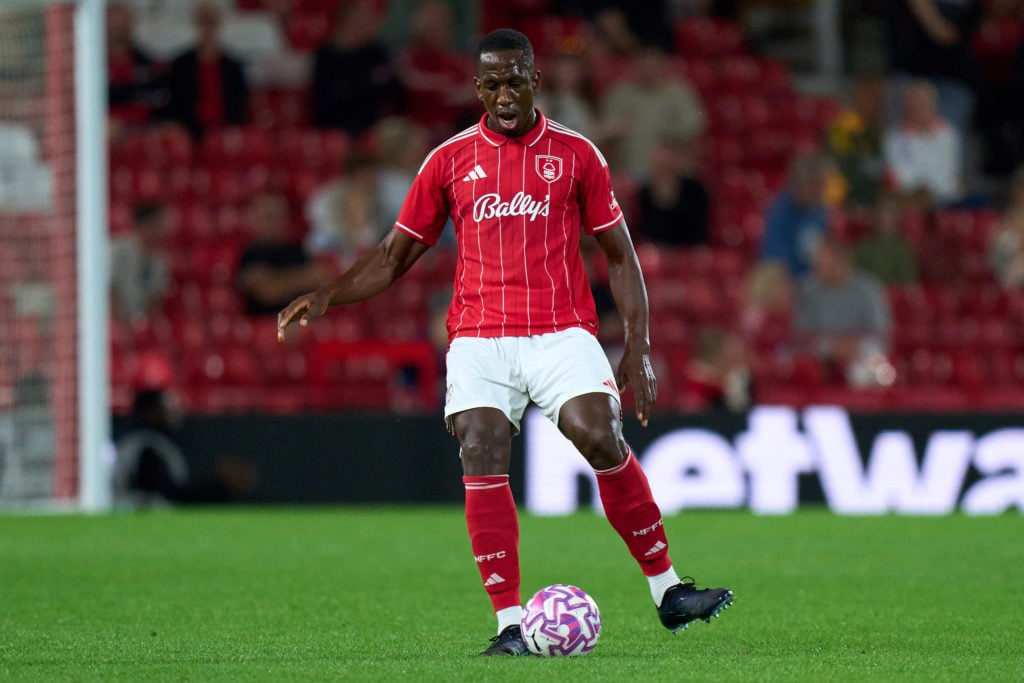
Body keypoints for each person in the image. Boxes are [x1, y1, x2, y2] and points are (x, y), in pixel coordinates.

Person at [277, 28, 733, 656]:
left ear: (535, 80)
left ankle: (668, 590)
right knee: (481, 444)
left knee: (599, 432)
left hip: (561, 328)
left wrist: (639, 347)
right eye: (491, 84)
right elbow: (393, 254)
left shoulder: (577, 155)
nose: (504, 94)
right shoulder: (448, 160)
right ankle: (510, 624)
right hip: (479, 336)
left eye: (515, 80)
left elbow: (620, 256)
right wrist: (330, 293)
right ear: (477, 89)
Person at [796, 238, 893, 386]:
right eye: (817, 263)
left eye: (825, 263)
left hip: (862, 356)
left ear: (841, 262)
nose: (818, 268)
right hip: (820, 358)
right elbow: (801, 336)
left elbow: (881, 334)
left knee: (869, 372)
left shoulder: (868, 289)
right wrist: (831, 347)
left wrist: (856, 347)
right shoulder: (808, 290)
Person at [310, 1, 403, 136]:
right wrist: (369, 85)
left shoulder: (376, 52)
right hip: (337, 128)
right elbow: (327, 104)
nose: (366, 27)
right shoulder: (326, 55)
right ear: (344, 23)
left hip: (373, 127)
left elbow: (396, 91)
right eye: (359, 22)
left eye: (368, 21)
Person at [161, 1, 249, 138]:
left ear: (219, 25)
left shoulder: (233, 67)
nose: (208, 28)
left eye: (211, 22)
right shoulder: (180, 65)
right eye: (203, 21)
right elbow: (174, 105)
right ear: (196, 24)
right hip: (190, 134)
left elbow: (239, 107)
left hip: (225, 133)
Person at [237, 192, 325, 315]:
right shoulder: (249, 254)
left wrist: (278, 280)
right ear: (254, 219)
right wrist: (301, 278)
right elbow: (267, 293)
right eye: (268, 216)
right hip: (266, 325)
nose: (274, 222)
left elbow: (319, 279)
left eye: (279, 216)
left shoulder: (297, 249)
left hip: (302, 323)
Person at [883, 80, 962, 206]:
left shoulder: (948, 134)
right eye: (914, 103)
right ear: (907, 106)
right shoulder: (895, 138)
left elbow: (951, 176)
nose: (919, 108)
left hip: (944, 200)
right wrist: (920, 190)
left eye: (923, 103)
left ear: (934, 105)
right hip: (909, 201)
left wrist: (933, 190)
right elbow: (899, 177)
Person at [759, 153, 833, 278]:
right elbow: (774, 263)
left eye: (821, 185)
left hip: (816, 284)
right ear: (797, 184)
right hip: (787, 284)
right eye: (813, 185)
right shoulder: (779, 214)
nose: (818, 191)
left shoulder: (820, 211)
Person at [635, 138, 710, 246]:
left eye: (667, 164)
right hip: (654, 256)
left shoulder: (695, 191)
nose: (663, 169)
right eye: (658, 164)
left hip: (688, 254)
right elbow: (642, 233)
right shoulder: (643, 193)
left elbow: (699, 234)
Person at [109, 203, 173, 322]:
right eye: (158, 224)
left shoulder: (160, 260)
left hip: (138, 326)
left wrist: (142, 327)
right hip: (112, 322)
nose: (162, 230)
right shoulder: (118, 249)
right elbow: (108, 290)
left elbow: (155, 299)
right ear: (145, 224)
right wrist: (121, 323)